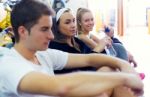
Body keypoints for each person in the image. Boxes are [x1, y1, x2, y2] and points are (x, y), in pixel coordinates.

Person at [0, 0, 143, 97]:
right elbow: (61, 86)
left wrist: (123, 65)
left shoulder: (44, 54)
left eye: (51, 29)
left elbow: (89, 58)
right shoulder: (9, 64)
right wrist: (123, 78)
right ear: (23, 31)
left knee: (109, 69)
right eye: (44, 29)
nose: (51, 36)